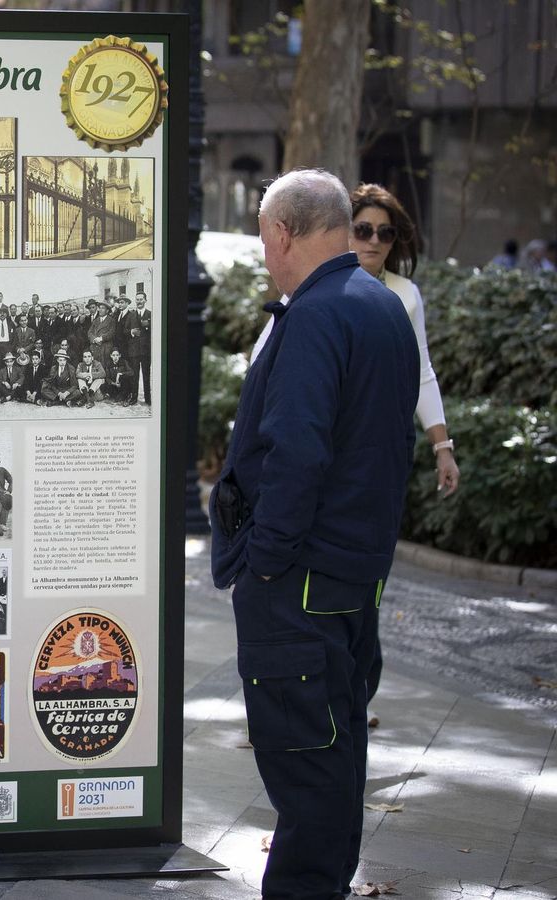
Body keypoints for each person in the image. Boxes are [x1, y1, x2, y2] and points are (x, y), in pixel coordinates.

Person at [211, 169, 418, 900]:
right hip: (352, 574)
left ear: (281, 233)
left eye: (266, 240)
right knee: (336, 755)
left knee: (308, 767)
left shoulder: (318, 313)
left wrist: (263, 561)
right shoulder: (380, 305)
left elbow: (297, 450)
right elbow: (393, 444)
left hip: (298, 579)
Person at [249, 183, 459, 497]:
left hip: (375, 448)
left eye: (385, 233)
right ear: (345, 232)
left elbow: (421, 372)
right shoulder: (315, 286)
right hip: (319, 438)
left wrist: (442, 447)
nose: (374, 240)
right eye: (363, 230)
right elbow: (262, 359)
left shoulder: (406, 295)